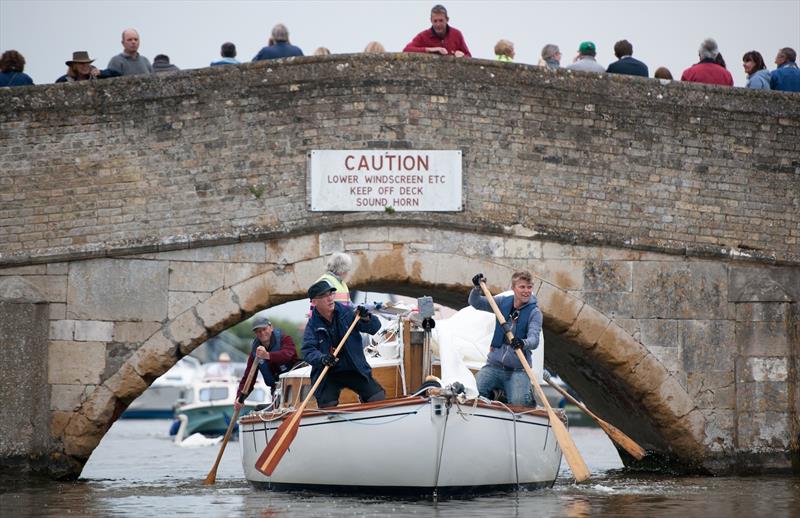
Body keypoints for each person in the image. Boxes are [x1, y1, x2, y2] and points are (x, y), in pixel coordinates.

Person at [301, 280, 384, 408]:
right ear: (314, 302)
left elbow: (374, 327)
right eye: (324, 296)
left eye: (331, 294)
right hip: (328, 373)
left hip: (353, 369)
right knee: (327, 406)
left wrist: (366, 318)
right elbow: (308, 351)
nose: (330, 298)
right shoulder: (312, 326)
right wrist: (322, 358)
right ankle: (331, 426)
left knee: (377, 397)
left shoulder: (348, 313)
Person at [468, 271, 542, 407]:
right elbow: (476, 302)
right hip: (494, 366)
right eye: (522, 287)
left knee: (519, 405)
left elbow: (534, 339)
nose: (526, 291)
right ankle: (495, 397)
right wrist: (477, 288)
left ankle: (525, 397)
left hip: (518, 370)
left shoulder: (534, 313)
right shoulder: (501, 303)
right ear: (513, 288)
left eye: (529, 287)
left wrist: (523, 343)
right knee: (472, 395)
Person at [234, 316, 298, 410]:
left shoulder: (285, 339)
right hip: (276, 391)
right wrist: (240, 398)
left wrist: (267, 355)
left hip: (295, 386)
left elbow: (288, 354)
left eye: (264, 329)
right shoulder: (255, 352)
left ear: (271, 328)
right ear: (256, 334)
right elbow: (248, 377)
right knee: (260, 410)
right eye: (258, 331)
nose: (262, 333)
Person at [403, 4, 471, 57]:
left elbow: (469, 56)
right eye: (435, 21)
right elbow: (406, 50)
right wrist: (431, 50)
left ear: (447, 20)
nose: (438, 24)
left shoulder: (457, 34)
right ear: (431, 21)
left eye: (441, 20)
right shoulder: (423, 36)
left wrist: (462, 56)